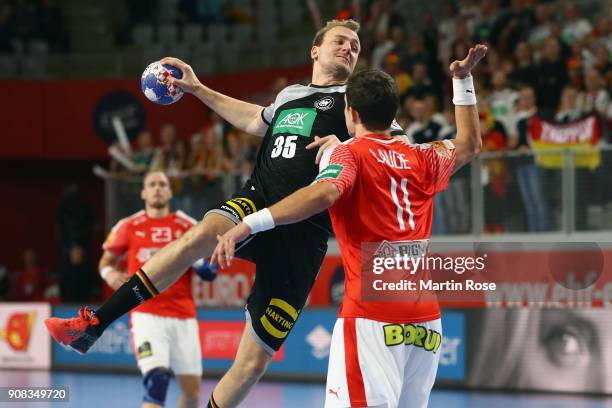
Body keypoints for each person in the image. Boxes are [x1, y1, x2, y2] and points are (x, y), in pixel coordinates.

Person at [46, 19, 406, 408]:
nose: (349, 48)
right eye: (341, 40)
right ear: (315, 51)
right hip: (257, 198)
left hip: (304, 233)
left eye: (355, 45)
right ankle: (94, 324)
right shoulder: (290, 95)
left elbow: (399, 148)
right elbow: (253, 119)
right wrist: (198, 89)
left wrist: (348, 147)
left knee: (252, 363)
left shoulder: (359, 101)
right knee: (199, 235)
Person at [211, 46, 487, 407]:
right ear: (393, 114)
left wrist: (251, 222)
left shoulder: (350, 153)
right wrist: (462, 79)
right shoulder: (422, 156)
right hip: (426, 322)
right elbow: (469, 144)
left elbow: (323, 194)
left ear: (350, 112)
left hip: (371, 319)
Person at [61, 171, 216, 408]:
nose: (157, 188)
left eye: (162, 184)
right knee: (157, 383)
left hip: (184, 316)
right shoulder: (129, 225)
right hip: (146, 315)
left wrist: (198, 261)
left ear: (170, 191)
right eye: (152, 184)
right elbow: (106, 261)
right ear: (143, 192)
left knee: (193, 392)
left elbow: (209, 271)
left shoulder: (187, 225)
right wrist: (110, 274)